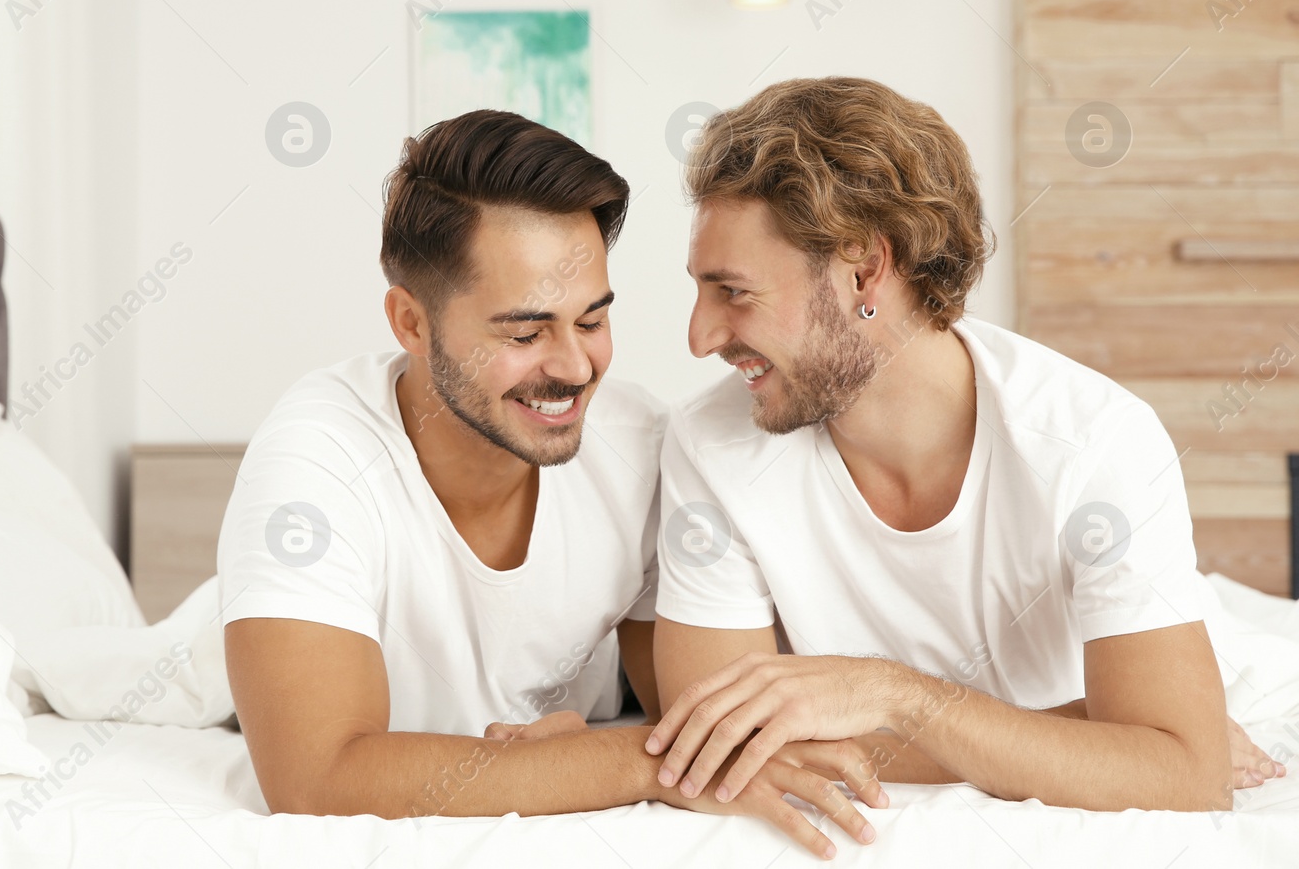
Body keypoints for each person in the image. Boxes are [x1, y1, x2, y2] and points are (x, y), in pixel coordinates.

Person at [644, 76, 1282, 859]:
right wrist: (1090, 735)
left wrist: (887, 692)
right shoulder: (713, 442)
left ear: (865, 271)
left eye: (733, 293)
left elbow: (1188, 775)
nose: (700, 335)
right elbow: (724, 749)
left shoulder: (1092, 440)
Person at [218, 109, 882, 854]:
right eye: (525, 333)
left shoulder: (643, 448)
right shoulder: (316, 460)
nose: (572, 368)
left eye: (591, 320)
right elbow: (315, 780)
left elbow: (697, 715)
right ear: (411, 322)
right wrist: (606, 760)